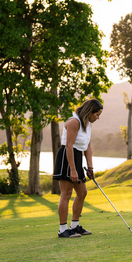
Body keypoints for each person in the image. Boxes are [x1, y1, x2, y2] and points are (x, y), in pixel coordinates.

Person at [53, 99, 103, 238]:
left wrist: (90, 166)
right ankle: (62, 230)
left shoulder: (87, 124)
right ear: (90, 112)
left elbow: (87, 147)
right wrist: (73, 170)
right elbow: (69, 146)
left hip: (77, 157)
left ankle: (74, 226)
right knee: (66, 193)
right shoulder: (74, 122)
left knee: (82, 193)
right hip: (66, 157)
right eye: (97, 115)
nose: (98, 118)